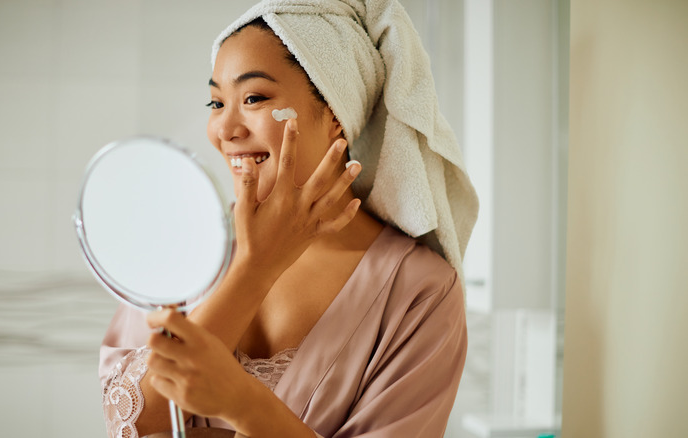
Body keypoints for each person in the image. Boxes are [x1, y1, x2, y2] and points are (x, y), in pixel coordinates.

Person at [99, 1, 478, 437]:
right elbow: (130, 422)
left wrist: (245, 405)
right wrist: (255, 268)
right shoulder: (180, 244)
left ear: (335, 114)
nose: (225, 129)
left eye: (254, 98)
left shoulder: (418, 290)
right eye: (216, 102)